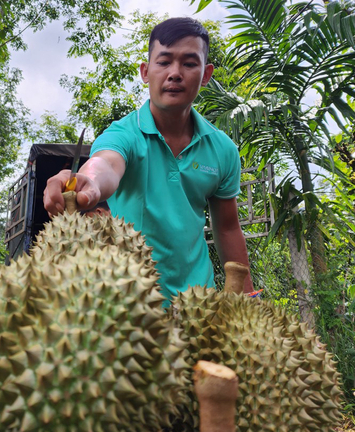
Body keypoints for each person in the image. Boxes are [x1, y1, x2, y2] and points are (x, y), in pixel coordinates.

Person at [43, 17, 253, 307]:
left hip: (199, 307)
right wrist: (88, 181)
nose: (175, 73)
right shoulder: (123, 134)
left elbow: (228, 228)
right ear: (145, 72)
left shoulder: (223, 150)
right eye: (164, 62)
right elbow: (105, 165)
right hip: (127, 306)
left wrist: (249, 300)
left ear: (206, 75)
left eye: (190, 63)